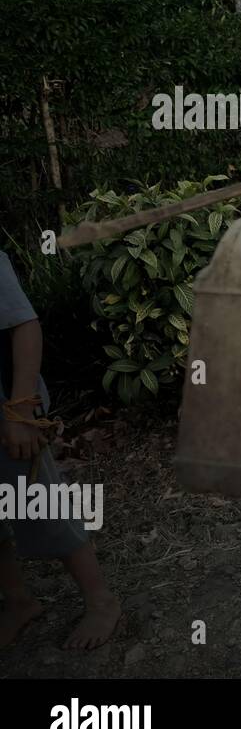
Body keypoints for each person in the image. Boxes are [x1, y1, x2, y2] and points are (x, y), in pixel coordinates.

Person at [0, 249, 121, 650]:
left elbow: (24, 325)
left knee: (39, 501)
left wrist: (19, 412)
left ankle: (100, 599)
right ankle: (19, 602)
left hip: (8, 414)